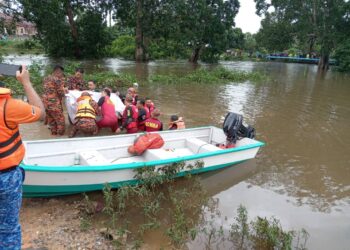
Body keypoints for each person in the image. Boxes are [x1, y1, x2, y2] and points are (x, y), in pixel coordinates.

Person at [0, 65, 45, 250]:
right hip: (6, 177)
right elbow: (40, 113)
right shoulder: (9, 106)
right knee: (8, 230)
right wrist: (26, 82)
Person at [43, 65, 66, 136]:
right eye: (61, 73)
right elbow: (61, 92)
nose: (61, 75)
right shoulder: (57, 79)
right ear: (58, 71)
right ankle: (60, 137)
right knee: (60, 121)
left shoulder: (46, 78)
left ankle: (53, 136)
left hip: (45, 103)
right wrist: (65, 92)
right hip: (54, 103)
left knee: (52, 121)